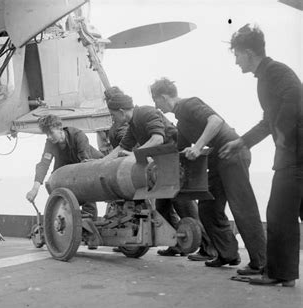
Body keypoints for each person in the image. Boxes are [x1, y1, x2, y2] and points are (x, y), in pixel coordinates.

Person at [150, 77, 266, 273]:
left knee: (242, 208)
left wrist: (197, 146)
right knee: (208, 208)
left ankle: (260, 263)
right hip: (217, 162)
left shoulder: (189, 104)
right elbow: (178, 151)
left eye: (156, 101)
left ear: (163, 97)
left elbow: (215, 121)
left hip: (232, 153)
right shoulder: (181, 122)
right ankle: (228, 253)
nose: (156, 106)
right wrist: (154, 162)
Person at [219, 24, 302, 287]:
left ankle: (280, 274)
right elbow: (267, 120)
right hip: (295, 153)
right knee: (288, 211)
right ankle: (284, 273)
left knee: (278, 212)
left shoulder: (275, 71)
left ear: (248, 52)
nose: (235, 61)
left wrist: (283, 136)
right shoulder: (265, 77)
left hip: (296, 154)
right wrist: (242, 142)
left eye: (237, 55)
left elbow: (296, 99)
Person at [104, 90, 216, 259]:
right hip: (160, 165)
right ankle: (177, 244)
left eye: (113, 115)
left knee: (184, 205)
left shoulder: (146, 112)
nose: (113, 119)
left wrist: (135, 154)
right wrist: (100, 162)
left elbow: (157, 139)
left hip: (173, 162)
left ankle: (209, 248)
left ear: (120, 111)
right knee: (162, 208)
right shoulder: (133, 125)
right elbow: (122, 148)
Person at [26, 114, 104, 218]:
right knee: (53, 184)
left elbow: (85, 163)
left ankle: (90, 220)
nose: (49, 137)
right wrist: (34, 189)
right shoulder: (50, 143)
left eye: (51, 133)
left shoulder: (78, 135)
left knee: (86, 189)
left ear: (59, 128)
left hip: (92, 166)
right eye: (46, 134)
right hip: (69, 167)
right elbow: (44, 164)